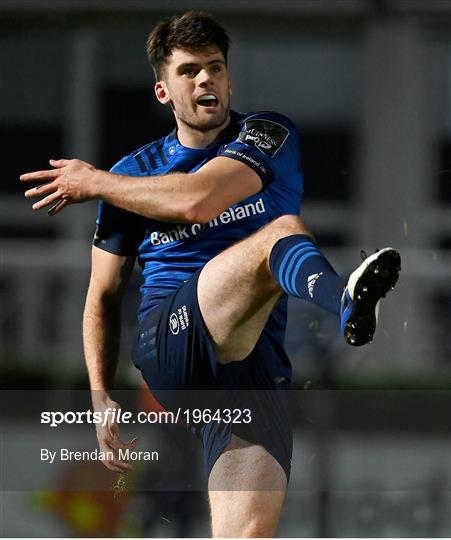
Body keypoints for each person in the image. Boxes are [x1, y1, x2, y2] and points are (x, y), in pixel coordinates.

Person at [21, 11, 401, 537]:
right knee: (279, 230)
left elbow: (199, 200)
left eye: (216, 68)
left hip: (251, 369)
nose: (206, 80)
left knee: (247, 532)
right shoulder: (133, 174)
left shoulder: (266, 134)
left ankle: (351, 307)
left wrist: (96, 181)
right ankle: (346, 304)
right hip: (170, 345)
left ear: (228, 79)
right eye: (190, 70)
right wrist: (100, 398)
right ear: (163, 91)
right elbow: (102, 296)